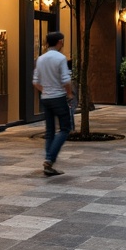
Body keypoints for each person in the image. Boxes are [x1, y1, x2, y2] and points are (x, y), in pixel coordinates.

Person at [33, 31, 74, 176]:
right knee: (65, 128)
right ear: (59, 42)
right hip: (58, 97)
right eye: (62, 41)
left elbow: (35, 82)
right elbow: (66, 80)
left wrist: (46, 90)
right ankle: (49, 160)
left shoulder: (41, 59)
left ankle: (48, 164)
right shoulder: (61, 58)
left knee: (49, 131)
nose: (62, 44)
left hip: (46, 98)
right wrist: (69, 94)